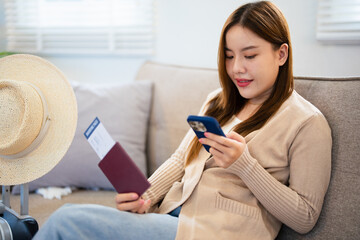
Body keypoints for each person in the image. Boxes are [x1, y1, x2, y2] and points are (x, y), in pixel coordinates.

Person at [33, 1, 332, 239]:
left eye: (249, 56)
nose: (237, 68)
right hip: (173, 216)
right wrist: (145, 197)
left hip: (216, 232)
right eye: (229, 56)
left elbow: (305, 217)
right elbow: (180, 161)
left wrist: (245, 166)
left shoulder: (306, 123)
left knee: (66, 220)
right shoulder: (219, 101)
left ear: (281, 54)